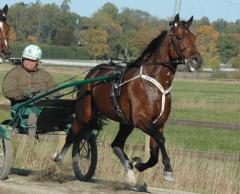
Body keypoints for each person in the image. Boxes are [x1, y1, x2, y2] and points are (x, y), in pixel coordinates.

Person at [2, 44, 57, 137]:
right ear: (22, 59)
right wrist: (23, 94)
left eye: (32, 60)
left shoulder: (45, 75)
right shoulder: (14, 73)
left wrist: (45, 94)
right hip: (21, 106)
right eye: (27, 59)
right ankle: (31, 128)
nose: (29, 62)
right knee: (31, 113)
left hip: (42, 106)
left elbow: (55, 92)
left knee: (63, 114)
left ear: (37, 61)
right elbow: (7, 91)